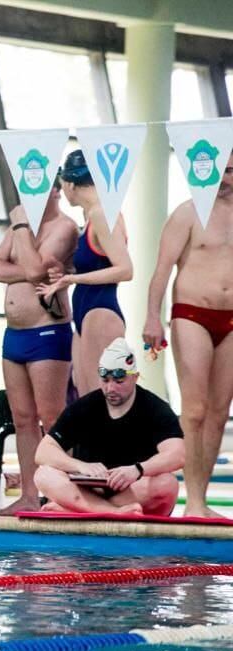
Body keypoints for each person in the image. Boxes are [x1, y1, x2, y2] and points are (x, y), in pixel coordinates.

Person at [143, 155, 233, 518]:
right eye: (223, 170)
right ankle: (192, 501)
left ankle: (203, 498)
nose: (227, 178)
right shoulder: (187, 212)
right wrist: (153, 317)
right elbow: (162, 269)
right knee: (194, 410)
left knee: (217, 413)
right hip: (192, 313)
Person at [0, 179, 78, 514]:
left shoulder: (64, 226)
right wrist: (27, 268)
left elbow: (39, 270)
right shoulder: (17, 229)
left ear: (56, 191)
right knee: (23, 419)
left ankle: (61, 495)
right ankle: (28, 494)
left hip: (47, 331)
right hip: (14, 335)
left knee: (51, 417)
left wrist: (23, 226)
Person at [34, 338, 184, 516]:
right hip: (91, 490)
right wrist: (80, 466)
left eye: (119, 381)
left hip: (131, 490)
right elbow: (43, 452)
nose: (111, 388)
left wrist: (137, 469)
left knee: (167, 484)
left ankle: (78, 509)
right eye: (105, 380)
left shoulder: (154, 408)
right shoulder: (85, 407)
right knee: (43, 475)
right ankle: (114, 512)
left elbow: (178, 455)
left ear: (135, 377)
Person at [38, 150, 133, 395]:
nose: (62, 193)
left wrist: (71, 279)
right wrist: (66, 271)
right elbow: (97, 263)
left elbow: (125, 270)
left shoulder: (103, 214)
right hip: (86, 311)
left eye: (62, 186)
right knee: (84, 396)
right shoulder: (91, 217)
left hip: (101, 311)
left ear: (69, 183)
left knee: (101, 397)